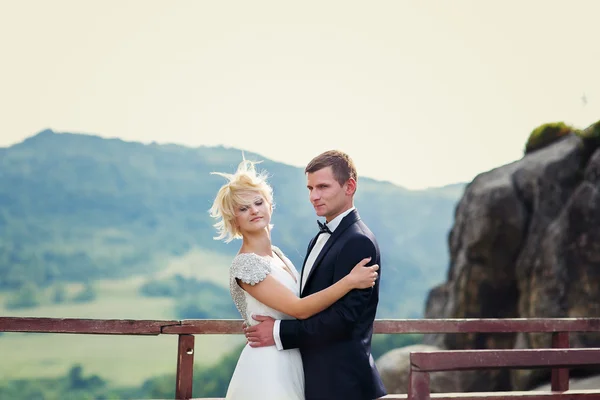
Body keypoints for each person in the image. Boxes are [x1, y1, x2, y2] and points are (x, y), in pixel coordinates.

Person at [209, 158, 379, 400]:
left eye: (258, 202)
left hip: (296, 360)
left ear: (270, 205)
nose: (254, 210)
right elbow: (298, 308)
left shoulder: (278, 255)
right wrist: (349, 282)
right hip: (268, 364)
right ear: (233, 219)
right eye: (243, 208)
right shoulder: (245, 264)